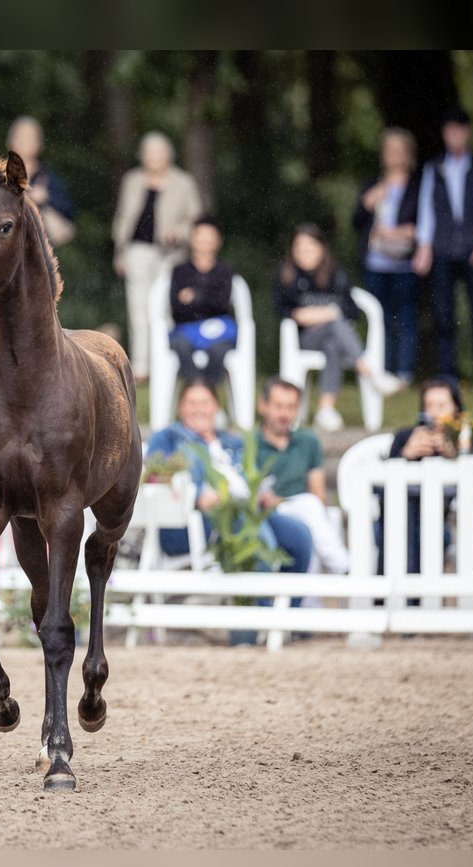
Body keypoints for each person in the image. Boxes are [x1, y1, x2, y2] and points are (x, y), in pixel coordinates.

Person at [145, 378, 312, 593]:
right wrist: (196, 496)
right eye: (191, 403)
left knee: (300, 537)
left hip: (249, 510)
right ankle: (256, 618)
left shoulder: (232, 441)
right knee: (256, 538)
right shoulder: (168, 438)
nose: (199, 410)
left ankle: (287, 616)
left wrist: (261, 492)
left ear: (216, 406)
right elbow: (155, 476)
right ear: (180, 407)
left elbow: (251, 475)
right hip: (197, 521)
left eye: (205, 403)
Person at [412, 105, 473, 386]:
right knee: (443, 315)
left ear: (468, 133)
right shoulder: (434, 168)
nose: (454, 136)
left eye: (459, 130)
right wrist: (424, 247)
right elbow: (427, 211)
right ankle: (448, 374)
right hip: (443, 248)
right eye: (449, 131)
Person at [274, 223, 403, 432]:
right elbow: (284, 310)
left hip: (333, 339)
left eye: (309, 246)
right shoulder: (287, 275)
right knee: (334, 319)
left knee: (333, 342)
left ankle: (326, 409)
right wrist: (319, 314)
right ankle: (370, 371)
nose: (304, 252)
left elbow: (352, 310)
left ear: (321, 248)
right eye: (299, 247)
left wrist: (321, 314)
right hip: (304, 340)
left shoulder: (335, 273)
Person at [112, 131, 203, 383]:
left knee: (164, 310)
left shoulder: (183, 183)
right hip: (137, 251)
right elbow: (122, 218)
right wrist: (120, 253)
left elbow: (195, 223)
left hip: (171, 255)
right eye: (148, 153)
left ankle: (165, 363)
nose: (153, 158)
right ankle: (141, 369)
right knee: (138, 311)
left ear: (168, 156)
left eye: (158, 153)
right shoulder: (132, 180)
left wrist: (178, 233)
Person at [379, 377, 473, 584]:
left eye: (442, 406)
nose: (434, 412)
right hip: (401, 516)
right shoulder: (406, 436)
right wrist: (407, 454)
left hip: (443, 517)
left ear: (456, 409)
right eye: (429, 406)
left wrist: (455, 454)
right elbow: (383, 484)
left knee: (431, 533)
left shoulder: (465, 439)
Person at [255, 377, 349, 576]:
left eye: (291, 407)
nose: (284, 414)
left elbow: (319, 494)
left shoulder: (308, 442)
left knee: (309, 511)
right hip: (268, 516)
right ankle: (345, 569)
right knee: (309, 513)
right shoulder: (250, 444)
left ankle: (313, 598)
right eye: (279, 406)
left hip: (304, 510)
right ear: (263, 406)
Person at [352, 127, 422, 387]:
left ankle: (403, 373)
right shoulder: (372, 185)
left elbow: (424, 224)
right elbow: (356, 222)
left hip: (405, 262)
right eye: (388, 151)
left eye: (398, 151)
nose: (393, 156)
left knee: (404, 317)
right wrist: (366, 203)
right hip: (375, 262)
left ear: (407, 155)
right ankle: (381, 370)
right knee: (378, 317)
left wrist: (400, 232)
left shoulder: (417, 187)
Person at [167, 216, 238, 387]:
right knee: (179, 345)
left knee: (218, 350)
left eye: (210, 236)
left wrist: (195, 296)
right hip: (185, 331)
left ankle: (206, 395)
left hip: (218, 332)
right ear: (192, 239)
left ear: (218, 241)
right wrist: (208, 297)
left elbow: (222, 304)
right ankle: (198, 391)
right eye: (200, 235)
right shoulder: (179, 271)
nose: (204, 241)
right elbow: (176, 309)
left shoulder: (225, 271)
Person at [6, 115, 76, 246]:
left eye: (31, 137)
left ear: (40, 144)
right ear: (10, 142)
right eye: (21, 136)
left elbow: (69, 217)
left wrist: (46, 200)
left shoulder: (50, 181)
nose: (26, 141)